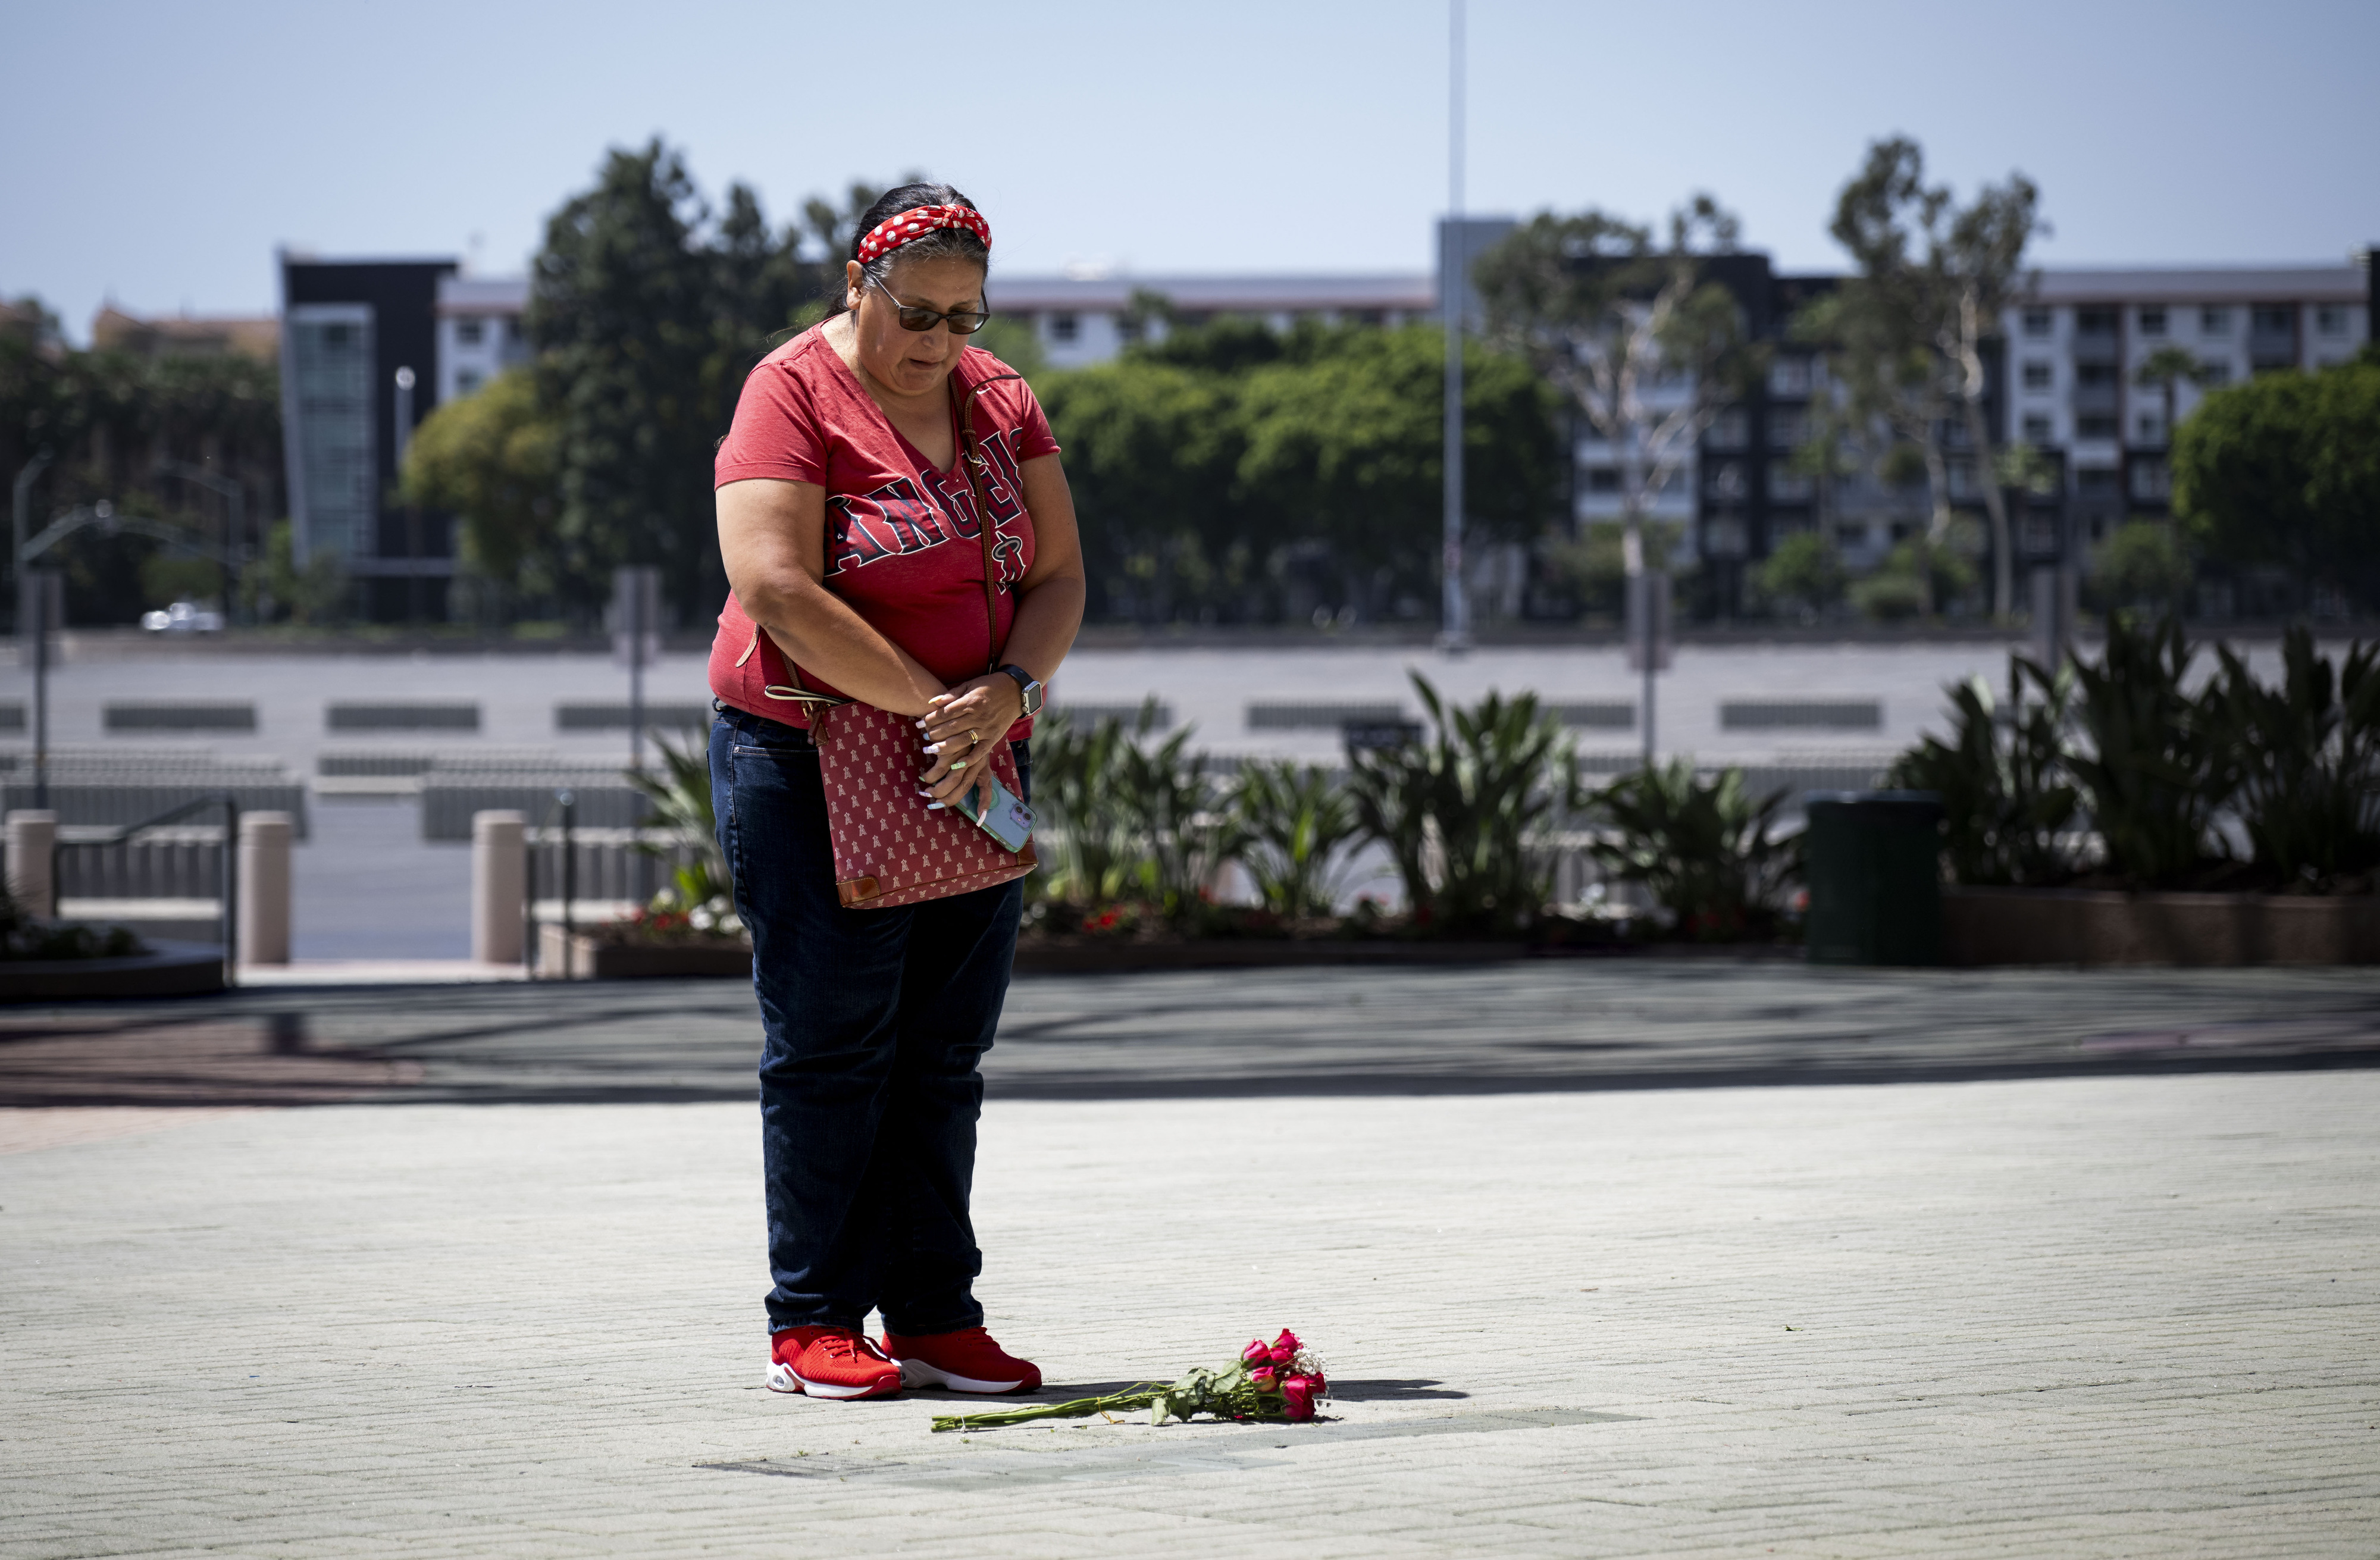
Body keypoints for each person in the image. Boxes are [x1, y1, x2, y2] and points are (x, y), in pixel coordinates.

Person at [707, 184, 1085, 1402]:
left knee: (942, 1053)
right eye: (915, 314)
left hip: (971, 752)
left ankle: (932, 1312)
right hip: (808, 757)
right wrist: (944, 704)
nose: (937, 344)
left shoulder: (999, 399)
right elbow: (774, 585)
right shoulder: (790, 392)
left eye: (963, 319)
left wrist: (1008, 693)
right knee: (829, 1046)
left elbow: (1061, 575)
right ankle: (810, 1320)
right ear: (858, 288)